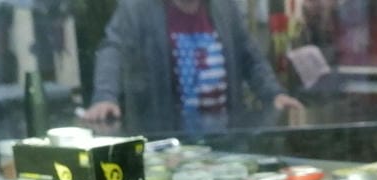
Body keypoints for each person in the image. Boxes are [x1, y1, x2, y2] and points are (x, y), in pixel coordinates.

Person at [85, 0, 303, 131]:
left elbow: (249, 55)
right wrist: (105, 96)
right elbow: (113, 48)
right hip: (166, 145)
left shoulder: (225, 6)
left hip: (229, 143)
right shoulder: (138, 8)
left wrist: (274, 94)